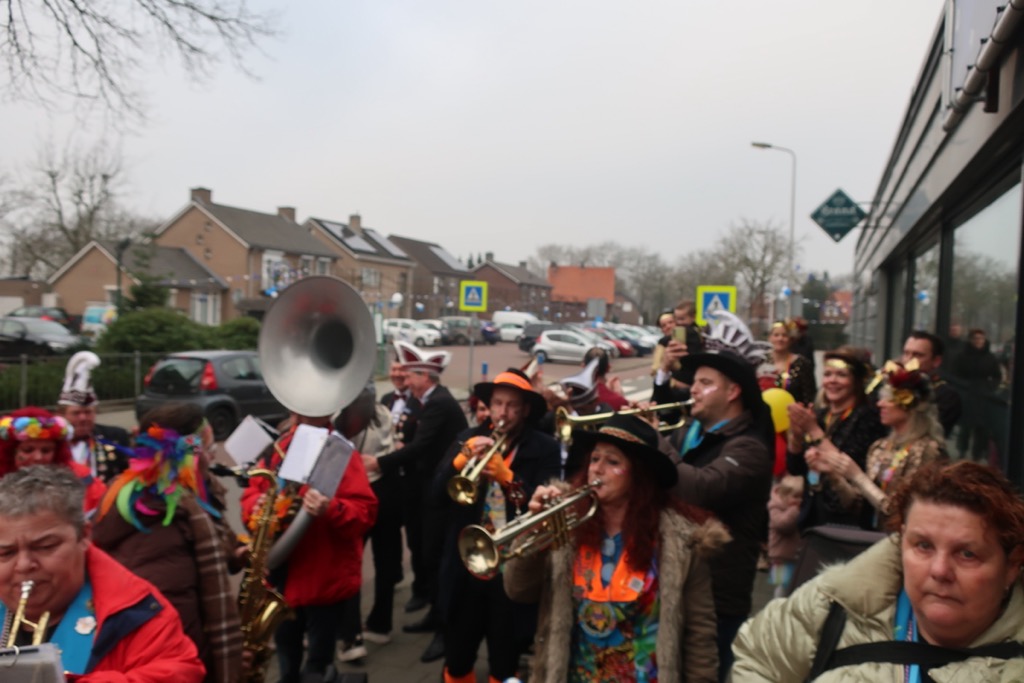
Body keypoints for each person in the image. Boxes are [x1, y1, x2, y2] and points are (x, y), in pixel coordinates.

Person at [732, 461, 1024, 681]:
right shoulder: (833, 606)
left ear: (1012, 565)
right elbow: (759, 660)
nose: (940, 570)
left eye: (967, 554)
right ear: (901, 541)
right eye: (923, 546)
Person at [505, 413, 727, 682]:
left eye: (612, 462)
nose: (597, 469)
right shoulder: (567, 524)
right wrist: (535, 528)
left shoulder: (682, 541)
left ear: (639, 475)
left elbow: (700, 635)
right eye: (594, 459)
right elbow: (518, 589)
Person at [0, 465, 205, 679]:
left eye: (45, 546)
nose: (23, 565)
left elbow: (180, 672)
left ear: (84, 536)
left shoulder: (137, 610)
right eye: (5, 553)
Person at [91, 408, 243, 683]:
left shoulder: (181, 502)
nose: (213, 458)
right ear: (189, 454)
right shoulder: (166, 517)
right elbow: (177, 613)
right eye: (208, 449)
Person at [660, 326, 775, 680]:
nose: (693, 389)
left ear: (733, 391)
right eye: (694, 382)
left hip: (718, 598)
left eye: (705, 383)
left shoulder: (749, 448)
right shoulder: (690, 432)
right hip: (678, 583)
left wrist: (653, 443)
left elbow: (702, 489)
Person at [434, 368, 561, 683]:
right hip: (467, 564)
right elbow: (434, 497)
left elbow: (545, 512)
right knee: (458, 655)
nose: (503, 412)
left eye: (511, 405)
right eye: (497, 403)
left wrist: (508, 478)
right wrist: (458, 463)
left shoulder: (545, 447)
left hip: (511, 566)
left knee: (505, 659)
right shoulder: (466, 438)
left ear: (525, 410)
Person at [240, 409, 378, 683]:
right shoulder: (280, 446)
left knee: (319, 666)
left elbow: (365, 513)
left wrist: (331, 508)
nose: (299, 414)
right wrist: (254, 506)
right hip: (281, 578)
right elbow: (252, 491)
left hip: (323, 577)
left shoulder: (340, 452)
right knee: (286, 659)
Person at [363, 341, 468, 663]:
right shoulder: (429, 401)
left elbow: (421, 446)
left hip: (437, 492)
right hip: (423, 488)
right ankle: (434, 611)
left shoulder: (438, 404)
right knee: (426, 551)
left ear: (425, 377)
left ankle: (442, 620)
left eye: (411, 376)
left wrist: (380, 462)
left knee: (434, 554)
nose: (406, 381)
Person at [807, 360, 948, 529]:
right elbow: (857, 506)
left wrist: (858, 477)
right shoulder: (880, 447)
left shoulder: (927, 450)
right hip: (868, 536)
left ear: (907, 405)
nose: (879, 404)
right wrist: (834, 474)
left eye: (887, 399)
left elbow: (901, 512)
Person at [786, 346, 886, 529]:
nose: (832, 380)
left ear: (856, 381)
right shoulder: (821, 415)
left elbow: (847, 465)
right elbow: (795, 469)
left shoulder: (867, 417)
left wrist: (813, 430)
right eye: (827, 374)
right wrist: (797, 436)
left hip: (847, 519)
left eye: (841, 375)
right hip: (813, 513)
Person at [334, 383, 399, 658]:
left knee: (350, 561)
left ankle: (351, 636)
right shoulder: (383, 411)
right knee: (386, 562)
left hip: (358, 491)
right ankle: (381, 625)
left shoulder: (344, 414)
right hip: (387, 491)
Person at [0, 406, 106, 518]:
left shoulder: (79, 477)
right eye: (28, 450)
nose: (38, 457)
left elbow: (100, 513)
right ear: (10, 453)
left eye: (46, 450)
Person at [57, 350, 130, 483]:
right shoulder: (52, 442)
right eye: (76, 413)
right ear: (62, 415)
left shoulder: (115, 437)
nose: (83, 418)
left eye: (88, 412)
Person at [952, 328, 1003, 460]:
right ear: (971, 340)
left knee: (982, 427)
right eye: (976, 339)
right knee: (965, 427)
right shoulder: (962, 356)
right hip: (967, 394)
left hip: (983, 395)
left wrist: (990, 387)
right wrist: (962, 389)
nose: (979, 341)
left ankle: (977, 454)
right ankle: (962, 451)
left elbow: (997, 376)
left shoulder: (990, 357)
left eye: (981, 339)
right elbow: (955, 375)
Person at [901, 330, 961, 436]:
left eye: (918, 355)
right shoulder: (896, 384)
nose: (908, 360)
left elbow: (931, 432)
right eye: (906, 353)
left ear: (936, 361)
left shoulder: (947, 396)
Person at [756, 320, 816, 405]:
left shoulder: (802, 363)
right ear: (769, 338)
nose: (780, 339)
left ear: (791, 339)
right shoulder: (759, 360)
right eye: (776, 335)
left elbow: (810, 397)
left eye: (784, 335)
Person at [766, 474, 803, 598]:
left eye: (801, 497)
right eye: (795, 497)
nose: (799, 500)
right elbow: (783, 525)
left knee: (791, 586)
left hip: (792, 556)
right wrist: (795, 510)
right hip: (780, 557)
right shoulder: (776, 507)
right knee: (781, 587)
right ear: (784, 496)